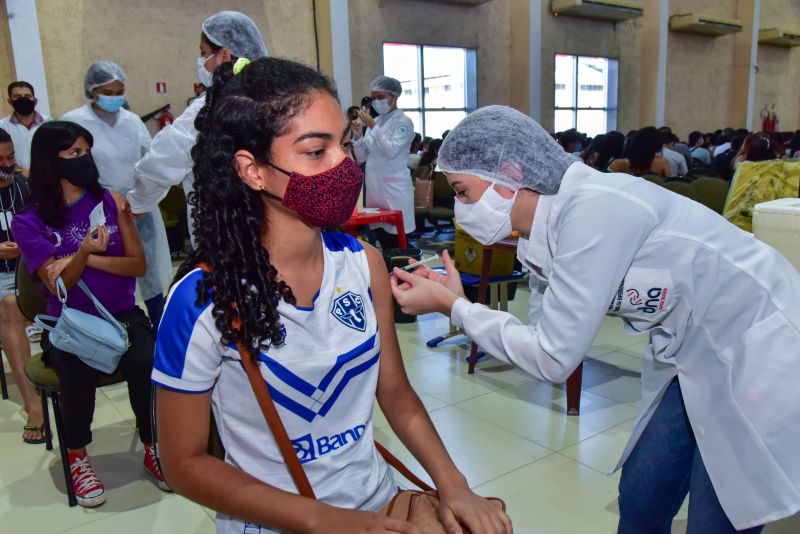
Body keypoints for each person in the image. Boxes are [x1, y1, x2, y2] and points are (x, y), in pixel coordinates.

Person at [390, 105, 800, 534]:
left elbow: (553, 358)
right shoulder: (544, 228)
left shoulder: (593, 210)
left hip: (754, 346)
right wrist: (458, 300)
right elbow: (541, 332)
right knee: (643, 494)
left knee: (717, 517)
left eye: (462, 192)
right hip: (689, 353)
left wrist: (454, 308)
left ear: (509, 173)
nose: (460, 210)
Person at [152, 57, 511, 534]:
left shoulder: (363, 264)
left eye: (343, 144)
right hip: (280, 520)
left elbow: (396, 393)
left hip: (376, 499)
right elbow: (184, 462)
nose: (344, 166)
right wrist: (327, 521)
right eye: (315, 151)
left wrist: (454, 485)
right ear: (252, 170)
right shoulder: (200, 301)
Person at [12, 121, 167, 507]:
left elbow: (136, 264)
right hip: (70, 322)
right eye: (75, 154)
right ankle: (78, 455)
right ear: (52, 161)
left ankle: (153, 445)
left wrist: (86, 260)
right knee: (75, 368)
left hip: (121, 313)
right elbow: (54, 286)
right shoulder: (29, 220)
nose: (85, 161)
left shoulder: (112, 202)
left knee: (146, 359)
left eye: (86, 152)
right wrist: (81, 252)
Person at [127, 11, 268, 248]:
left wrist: (137, 204)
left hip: (223, 244)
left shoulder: (205, 111)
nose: (201, 61)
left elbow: (160, 163)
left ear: (223, 55)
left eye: (204, 53)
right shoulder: (278, 100)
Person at [61, 61, 171, 328]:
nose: (114, 98)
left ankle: (157, 329)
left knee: (151, 274)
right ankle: (107, 331)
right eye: (107, 92)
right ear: (93, 90)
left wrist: (144, 199)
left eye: (119, 91)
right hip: (96, 210)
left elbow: (152, 165)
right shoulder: (73, 122)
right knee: (104, 268)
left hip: (137, 208)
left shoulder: (132, 122)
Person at [0, 127, 44, 444]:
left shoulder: (26, 187)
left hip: (30, 269)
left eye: (10, 158)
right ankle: (33, 405)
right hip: (2, 278)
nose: (6, 165)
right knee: (10, 306)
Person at [352, 75, 416, 250]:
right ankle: (392, 273)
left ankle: (411, 271)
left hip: (394, 190)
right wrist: (358, 137)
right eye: (374, 98)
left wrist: (372, 126)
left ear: (394, 97)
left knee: (398, 240)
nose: (376, 102)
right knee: (383, 239)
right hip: (375, 189)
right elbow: (362, 157)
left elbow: (391, 151)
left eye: (381, 97)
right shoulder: (378, 121)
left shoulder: (404, 122)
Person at [0, 81, 50, 173]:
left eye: (27, 96)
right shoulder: (2, 126)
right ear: (10, 101)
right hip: (15, 177)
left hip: (45, 176)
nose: (23, 99)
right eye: (17, 97)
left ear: (35, 101)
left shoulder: (49, 123)